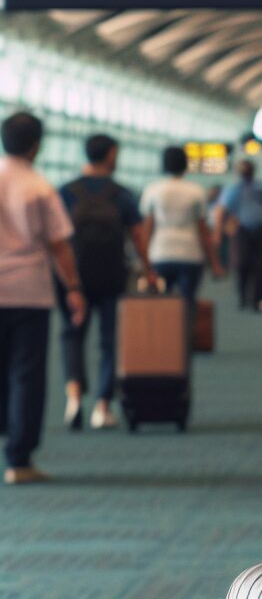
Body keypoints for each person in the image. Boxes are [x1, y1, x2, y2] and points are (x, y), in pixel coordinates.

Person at [0, 111, 84, 484]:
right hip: (29, 291)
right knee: (26, 374)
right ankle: (19, 460)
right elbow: (59, 245)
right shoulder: (39, 186)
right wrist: (75, 288)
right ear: (36, 145)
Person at [58, 134, 157, 431]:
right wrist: (148, 269)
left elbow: (57, 240)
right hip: (113, 274)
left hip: (74, 275)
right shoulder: (122, 194)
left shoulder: (66, 193)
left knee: (72, 335)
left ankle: (74, 397)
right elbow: (139, 236)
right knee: (110, 339)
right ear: (111, 154)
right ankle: (102, 406)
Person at [140, 146, 224, 313]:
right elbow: (203, 230)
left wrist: (143, 260)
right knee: (188, 302)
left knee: (161, 302)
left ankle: (165, 336)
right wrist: (215, 262)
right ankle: (186, 336)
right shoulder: (196, 190)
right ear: (185, 163)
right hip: (190, 254)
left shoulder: (152, 190)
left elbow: (147, 228)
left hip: (160, 252)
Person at [215, 160, 262, 312]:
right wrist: (219, 232)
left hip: (260, 229)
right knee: (243, 264)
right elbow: (222, 211)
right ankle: (243, 297)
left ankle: (258, 299)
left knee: (261, 267)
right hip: (242, 230)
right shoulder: (233, 189)